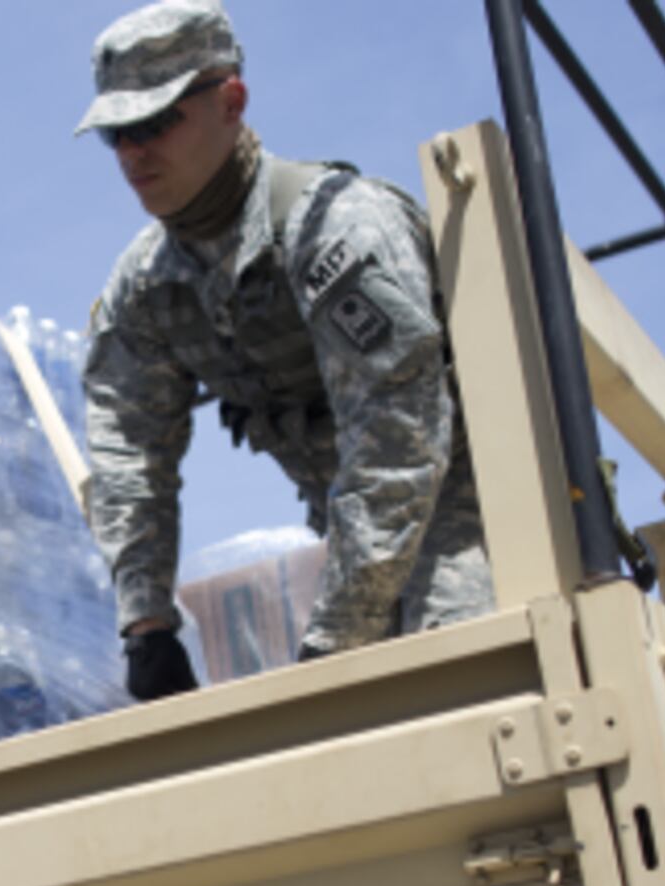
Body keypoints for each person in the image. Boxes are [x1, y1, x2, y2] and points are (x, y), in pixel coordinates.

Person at [73, 0, 492, 701]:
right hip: (351, 542)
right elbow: (128, 458)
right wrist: (146, 625)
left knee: (461, 682)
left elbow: (401, 439)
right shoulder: (143, 290)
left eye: (155, 123)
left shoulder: (336, 227)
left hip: (469, 512)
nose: (133, 153)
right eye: (115, 134)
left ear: (230, 101)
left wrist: (340, 636)